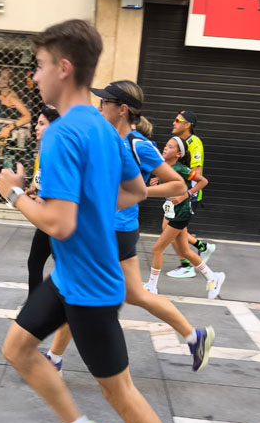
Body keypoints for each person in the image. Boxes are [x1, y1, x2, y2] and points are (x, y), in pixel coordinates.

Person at [0, 19, 206, 423]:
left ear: (64, 68)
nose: (35, 77)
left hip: (89, 286)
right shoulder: (101, 127)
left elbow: (58, 222)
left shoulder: (64, 133)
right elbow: (133, 192)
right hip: (70, 275)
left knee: (120, 391)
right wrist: (89, 205)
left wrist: (13, 193)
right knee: (18, 348)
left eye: (40, 66)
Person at [90, 81, 214, 372]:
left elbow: (178, 184)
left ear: (122, 109)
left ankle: (56, 358)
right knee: (134, 294)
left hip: (117, 228)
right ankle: (194, 336)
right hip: (109, 225)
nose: (100, 106)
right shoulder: (109, 138)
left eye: (105, 102)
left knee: (79, 290)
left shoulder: (138, 144)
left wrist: (139, 192)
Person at [144, 136, 225, 299]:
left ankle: (152, 286)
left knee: (157, 248)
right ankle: (213, 277)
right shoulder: (164, 168)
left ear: (178, 154)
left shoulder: (182, 169)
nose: (165, 148)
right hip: (173, 212)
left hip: (181, 214)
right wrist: (157, 183)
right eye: (166, 145)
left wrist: (186, 195)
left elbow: (203, 181)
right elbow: (169, 187)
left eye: (170, 147)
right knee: (185, 251)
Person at [26, 104, 71, 373]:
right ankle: (35, 310)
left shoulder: (57, 149)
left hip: (56, 221)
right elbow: (41, 179)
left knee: (64, 270)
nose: (36, 127)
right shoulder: (44, 148)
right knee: (34, 262)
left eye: (41, 123)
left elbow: (63, 187)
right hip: (46, 218)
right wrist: (32, 190)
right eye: (38, 122)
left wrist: (41, 200)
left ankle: (58, 312)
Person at [166, 111, 216, 279]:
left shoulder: (194, 143)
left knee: (171, 230)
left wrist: (187, 195)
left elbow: (196, 173)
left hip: (186, 196)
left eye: (177, 120)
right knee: (172, 230)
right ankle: (202, 248)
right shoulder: (180, 141)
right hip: (177, 193)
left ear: (187, 125)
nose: (173, 122)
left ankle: (187, 266)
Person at [0, 68, 31, 144]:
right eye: (0, 76)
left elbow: (28, 116)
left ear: (10, 82)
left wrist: (9, 128)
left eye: (4, 78)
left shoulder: (12, 97)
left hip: (9, 138)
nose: (0, 80)